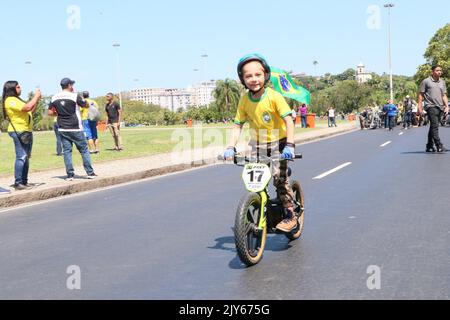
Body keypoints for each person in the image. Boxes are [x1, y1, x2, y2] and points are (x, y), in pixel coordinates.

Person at [223, 53, 298, 233]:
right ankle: (263, 209)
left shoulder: (274, 97)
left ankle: (290, 215)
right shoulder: (244, 99)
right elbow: (237, 125)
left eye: (257, 74)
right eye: (248, 76)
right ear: (242, 79)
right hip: (258, 144)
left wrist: (290, 145)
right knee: (256, 181)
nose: (253, 79)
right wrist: (230, 147)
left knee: (279, 179)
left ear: (265, 75)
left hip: (279, 142)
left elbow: (288, 120)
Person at [48, 78, 97, 181]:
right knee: (84, 150)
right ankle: (90, 172)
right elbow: (85, 105)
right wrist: (88, 104)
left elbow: (50, 113)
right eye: (72, 85)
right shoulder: (75, 96)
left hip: (62, 128)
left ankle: (70, 175)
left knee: (67, 151)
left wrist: (60, 114)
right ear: (69, 85)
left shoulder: (54, 97)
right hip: (75, 127)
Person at [2, 81, 41, 190]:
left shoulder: (17, 100)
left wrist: (36, 101)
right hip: (19, 131)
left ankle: (24, 181)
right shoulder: (10, 100)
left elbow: (30, 111)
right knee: (21, 156)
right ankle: (18, 183)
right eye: (18, 87)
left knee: (26, 157)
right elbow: (27, 107)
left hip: (26, 130)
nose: (20, 89)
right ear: (11, 89)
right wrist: (36, 96)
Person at [418, 65, 449, 153]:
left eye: (440, 70)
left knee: (433, 126)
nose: (439, 72)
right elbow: (421, 95)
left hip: (440, 107)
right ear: (433, 71)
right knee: (435, 126)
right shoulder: (426, 81)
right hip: (430, 106)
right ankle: (439, 145)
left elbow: (444, 95)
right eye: (437, 70)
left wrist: (447, 106)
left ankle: (429, 146)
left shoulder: (442, 82)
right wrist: (419, 107)